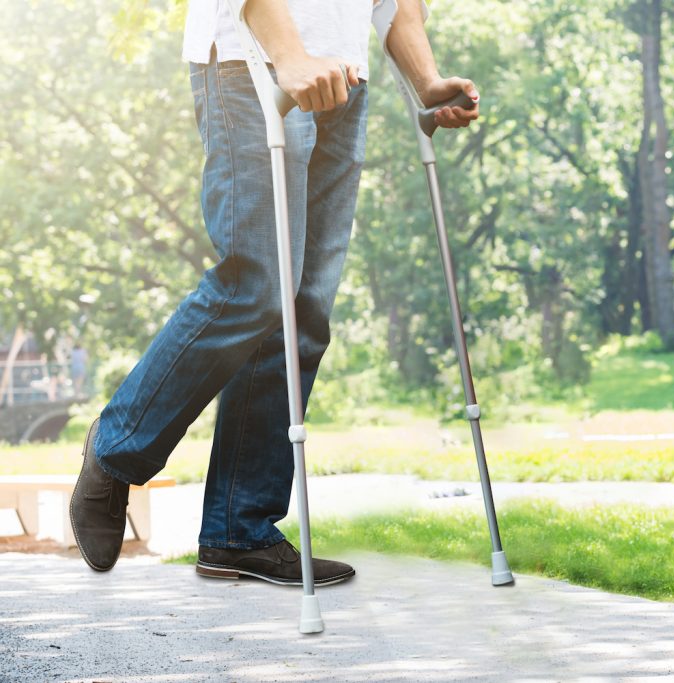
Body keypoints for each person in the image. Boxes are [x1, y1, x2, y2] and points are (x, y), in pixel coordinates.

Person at [70, 0, 479, 584]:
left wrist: (428, 82)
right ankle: (115, 448)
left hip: (344, 79)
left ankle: (240, 531)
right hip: (251, 61)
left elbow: (399, 5)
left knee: (304, 310)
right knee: (255, 286)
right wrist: (290, 56)